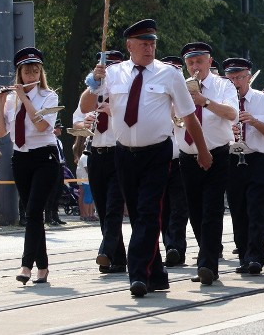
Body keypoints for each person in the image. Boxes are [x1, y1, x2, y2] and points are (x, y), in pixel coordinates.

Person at [81, 20, 211, 297]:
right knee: (139, 214)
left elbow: (189, 116)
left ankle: (137, 273)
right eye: (143, 43)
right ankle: (157, 273)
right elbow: (84, 107)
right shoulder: (113, 73)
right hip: (124, 153)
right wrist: (93, 82)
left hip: (157, 152)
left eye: (152, 43)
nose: (149, 48)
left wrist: (202, 150)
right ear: (130, 46)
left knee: (149, 212)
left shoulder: (169, 74)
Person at [0, 47, 60, 285]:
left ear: (40, 73)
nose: (30, 77)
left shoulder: (49, 96)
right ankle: (43, 267)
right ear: (19, 74)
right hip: (21, 159)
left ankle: (26, 265)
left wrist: (25, 98)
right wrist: (1, 104)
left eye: (35, 72)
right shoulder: (10, 100)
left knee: (32, 212)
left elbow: (42, 126)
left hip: (45, 158)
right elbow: (1, 132)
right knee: (32, 215)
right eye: (26, 72)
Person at [173, 41, 236, 287]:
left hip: (216, 154)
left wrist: (204, 101)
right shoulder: (179, 85)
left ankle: (207, 264)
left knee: (211, 210)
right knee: (196, 213)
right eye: (190, 63)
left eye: (199, 62)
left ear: (209, 61)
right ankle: (206, 257)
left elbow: (231, 113)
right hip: (187, 157)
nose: (195, 67)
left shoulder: (222, 85)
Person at [224, 57, 264, 275]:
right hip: (232, 158)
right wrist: (228, 132)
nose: (235, 82)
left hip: (258, 158)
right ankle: (244, 255)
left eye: (239, 77)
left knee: (256, 207)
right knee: (237, 209)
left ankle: (256, 256)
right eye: (231, 78)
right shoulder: (222, 103)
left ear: (248, 77)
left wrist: (255, 122)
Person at [76, 50, 128, 274]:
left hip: (119, 151)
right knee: (103, 205)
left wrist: (114, 112)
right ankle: (118, 258)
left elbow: (135, 121)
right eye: (103, 68)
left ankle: (106, 250)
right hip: (96, 153)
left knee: (114, 206)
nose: (107, 72)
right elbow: (77, 120)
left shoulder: (126, 91)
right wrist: (85, 122)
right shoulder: (93, 91)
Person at [158, 54, 191, 268]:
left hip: (181, 159)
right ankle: (170, 245)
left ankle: (176, 248)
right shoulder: (157, 97)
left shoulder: (188, 94)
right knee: (164, 209)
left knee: (180, 208)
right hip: (160, 160)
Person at [45, 120, 68, 226]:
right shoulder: (49, 140)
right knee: (51, 192)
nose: (61, 130)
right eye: (59, 128)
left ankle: (55, 215)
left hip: (61, 166)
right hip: (54, 166)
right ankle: (48, 217)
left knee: (58, 192)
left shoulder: (59, 141)